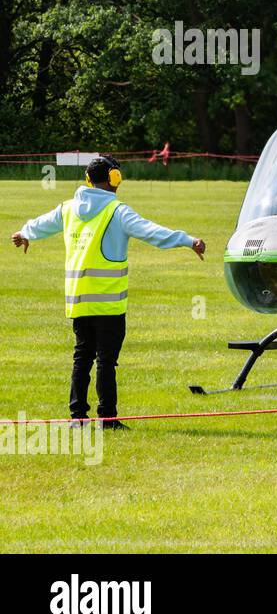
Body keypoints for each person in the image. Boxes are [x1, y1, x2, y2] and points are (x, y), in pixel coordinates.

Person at [10, 156, 206, 428]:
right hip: (109, 303)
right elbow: (151, 232)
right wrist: (188, 240)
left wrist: (24, 233)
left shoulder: (68, 209)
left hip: (78, 301)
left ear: (88, 180)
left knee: (81, 358)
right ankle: (108, 419)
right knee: (106, 361)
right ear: (114, 179)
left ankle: (77, 417)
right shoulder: (117, 210)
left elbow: (42, 224)